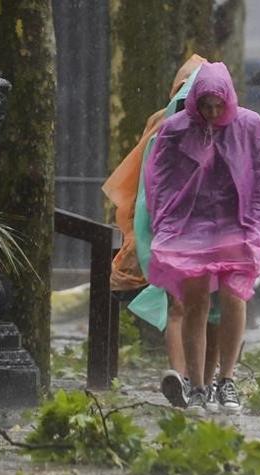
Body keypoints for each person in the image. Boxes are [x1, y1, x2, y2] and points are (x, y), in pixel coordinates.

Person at [144, 62, 260, 412]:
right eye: (205, 106)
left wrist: (256, 223)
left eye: (217, 106)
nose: (211, 113)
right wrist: (165, 220)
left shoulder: (249, 126)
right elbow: (159, 178)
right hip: (190, 228)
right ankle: (198, 384)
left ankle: (227, 380)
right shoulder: (176, 129)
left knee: (235, 297)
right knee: (195, 303)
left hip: (236, 225)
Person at [102, 54, 221, 408]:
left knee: (198, 310)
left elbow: (145, 193)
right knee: (189, 307)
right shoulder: (167, 130)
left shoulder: (168, 126)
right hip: (184, 233)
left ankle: (196, 379)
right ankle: (188, 379)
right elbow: (149, 191)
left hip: (196, 233)